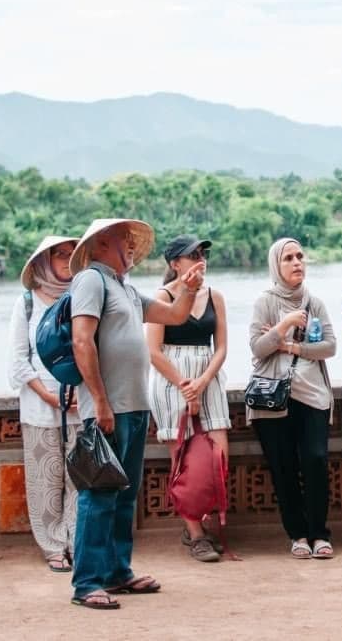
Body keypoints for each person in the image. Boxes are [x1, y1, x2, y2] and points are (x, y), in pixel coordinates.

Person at [67, 218, 205, 610]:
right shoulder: (91, 281)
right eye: (123, 239)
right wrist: (100, 401)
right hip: (108, 408)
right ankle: (87, 582)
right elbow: (82, 341)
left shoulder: (125, 288)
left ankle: (117, 571)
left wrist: (189, 289)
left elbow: (174, 316)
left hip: (136, 405)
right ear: (101, 244)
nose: (130, 245)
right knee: (99, 494)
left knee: (125, 495)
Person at [248, 238, 337, 559]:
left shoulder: (315, 303)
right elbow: (257, 348)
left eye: (300, 256)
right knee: (283, 467)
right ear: (276, 265)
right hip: (274, 398)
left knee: (315, 460)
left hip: (313, 395)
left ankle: (319, 534)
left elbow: (330, 347)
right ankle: (298, 535)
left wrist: (290, 346)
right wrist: (285, 324)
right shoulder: (265, 302)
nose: (297, 262)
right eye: (288, 258)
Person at [147, 234, 230, 562]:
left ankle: (204, 522)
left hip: (208, 376)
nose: (201, 261)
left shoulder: (215, 296)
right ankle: (196, 534)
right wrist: (184, 385)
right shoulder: (163, 297)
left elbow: (221, 347)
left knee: (218, 456)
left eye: (202, 255)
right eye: (193, 255)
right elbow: (154, 352)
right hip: (171, 380)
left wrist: (203, 381)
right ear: (175, 264)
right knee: (183, 460)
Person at [8, 235, 81, 572]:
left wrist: (83, 391)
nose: (67, 260)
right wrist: (49, 395)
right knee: (45, 480)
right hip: (40, 406)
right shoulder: (27, 303)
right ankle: (52, 546)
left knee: (80, 478)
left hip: (82, 402)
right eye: (59, 255)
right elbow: (19, 360)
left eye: (72, 254)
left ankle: (76, 541)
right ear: (43, 262)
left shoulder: (83, 297)